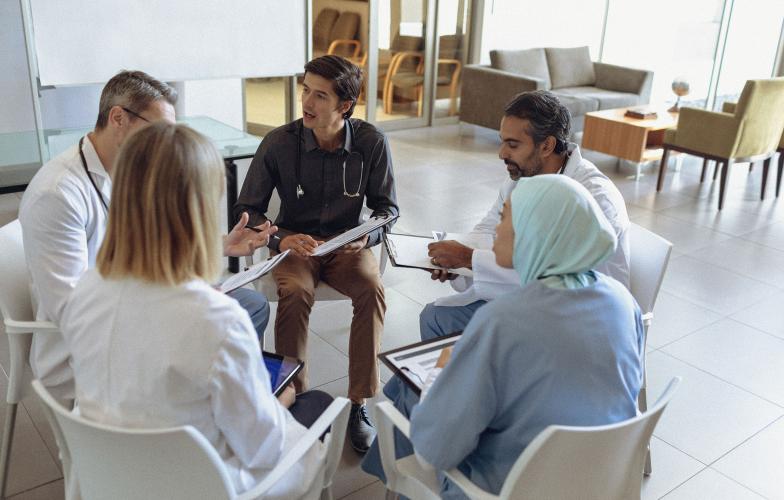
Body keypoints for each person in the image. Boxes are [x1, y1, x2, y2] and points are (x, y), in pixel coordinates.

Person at [60, 123, 333, 499]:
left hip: (113, 479)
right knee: (317, 405)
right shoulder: (217, 322)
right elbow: (263, 449)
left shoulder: (86, 290)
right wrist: (277, 402)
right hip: (202, 486)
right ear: (200, 210)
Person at [364, 175, 644, 498]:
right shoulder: (623, 303)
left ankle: (391, 479)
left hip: (507, 488)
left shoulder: (503, 322)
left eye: (507, 215)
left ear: (536, 230)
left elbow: (435, 451)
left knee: (412, 388)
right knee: (416, 384)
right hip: (598, 478)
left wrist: (443, 384)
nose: (497, 227)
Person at [19, 70, 273, 399]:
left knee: (249, 304)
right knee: (227, 321)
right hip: (87, 352)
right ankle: (213, 403)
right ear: (118, 118)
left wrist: (216, 247)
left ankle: (214, 398)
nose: (165, 146)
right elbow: (72, 311)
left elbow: (150, 247)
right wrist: (171, 312)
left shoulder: (128, 170)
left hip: (131, 308)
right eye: (158, 132)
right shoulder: (58, 194)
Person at [235, 55, 399, 452]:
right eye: (306, 89)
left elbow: (387, 210)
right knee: (295, 293)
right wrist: (278, 240)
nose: (306, 101)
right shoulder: (279, 142)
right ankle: (295, 398)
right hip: (295, 244)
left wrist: (368, 237)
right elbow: (248, 210)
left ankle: (359, 402)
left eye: (320, 95)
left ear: (344, 106)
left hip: (347, 243)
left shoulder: (371, 142)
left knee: (371, 290)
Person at [420, 90, 630, 341]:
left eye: (513, 144)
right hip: (527, 301)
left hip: (570, 322)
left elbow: (553, 279)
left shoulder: (593, 198)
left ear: (547, 145)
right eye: (502, 142)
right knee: (434, 317)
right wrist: (458, 263)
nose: (501, 153)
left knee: (450, 336)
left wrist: (469, 259)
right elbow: (487, 229)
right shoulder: (525, 177)